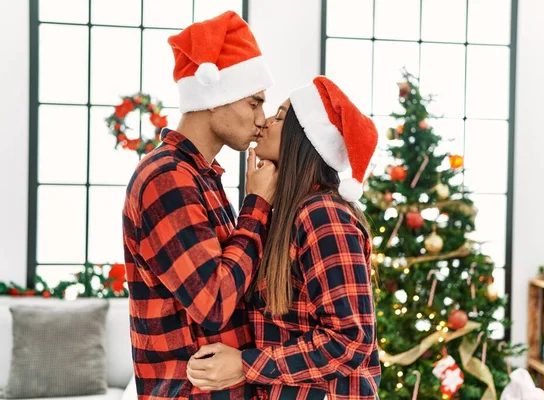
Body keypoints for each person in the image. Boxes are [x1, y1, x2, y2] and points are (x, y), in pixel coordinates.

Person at [186, 76, 381, 399]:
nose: (263, 123)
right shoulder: (288, 216)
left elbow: (350, 341)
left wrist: (246, 365)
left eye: (278, 116)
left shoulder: (324, 217)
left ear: (302, 137)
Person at [122, 11, 276, 400]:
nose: (262, 119)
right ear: (214, 97)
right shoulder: (166, 179)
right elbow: (214, 302)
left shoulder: (201, 176)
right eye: (254, 102)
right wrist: (256, 206)